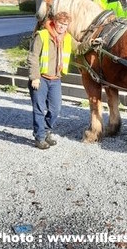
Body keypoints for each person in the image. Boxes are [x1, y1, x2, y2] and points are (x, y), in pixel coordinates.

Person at [28, 12, 77, 150]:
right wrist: (35, 77)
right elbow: (32, 57)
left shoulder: (67, 37)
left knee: (56, 109)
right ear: (55, 22)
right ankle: (39, 137)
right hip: (41, 79)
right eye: (60, 23)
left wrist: (92, 43)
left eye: (65, 25)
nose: (62, 27)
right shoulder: (42, 35)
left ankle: (46, 130)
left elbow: (79, 48)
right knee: (39, 109)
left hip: (56, 80)